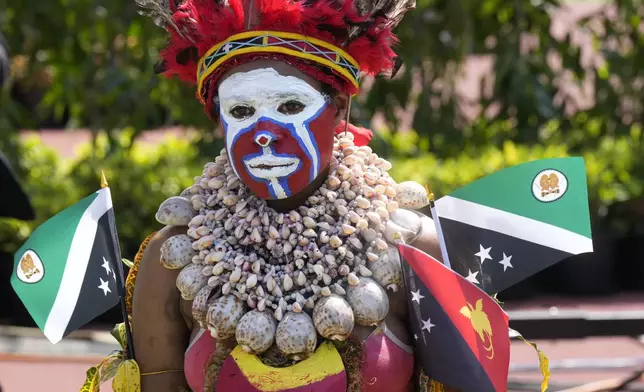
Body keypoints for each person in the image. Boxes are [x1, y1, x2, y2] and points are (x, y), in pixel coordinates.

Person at [106, 0, 451, 390]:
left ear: (338, 109)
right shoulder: (174, 257)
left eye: (289, 106)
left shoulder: (412, 248)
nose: (264, 132)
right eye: (241, 111)